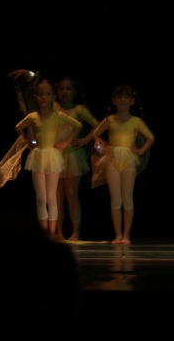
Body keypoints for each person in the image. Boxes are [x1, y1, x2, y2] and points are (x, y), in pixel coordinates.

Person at [14, 79, 83, 239]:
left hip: (52, 156)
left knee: (51, 197)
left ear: (53, 97)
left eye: (47, 94)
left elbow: (78, 125)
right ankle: (44, 233)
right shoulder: (32, 116)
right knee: (41, 198)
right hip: (38, 155)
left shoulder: (58, 115)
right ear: (36, 97)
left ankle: (51, 233)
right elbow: (18, 127)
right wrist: (26, 140)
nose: (44, 97)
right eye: (40, 94)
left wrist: (66, 142)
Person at [89, 84, 155, 245]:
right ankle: (118, 234)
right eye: (119, 97)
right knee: (115, 199)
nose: (122, 100)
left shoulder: (136, 121)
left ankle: (126, 235)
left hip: (128, 159)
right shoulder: (110, 120)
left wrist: (140, 151)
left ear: (132, 101)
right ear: (114, 101)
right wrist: (101, 145)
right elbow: (95, 134)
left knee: (127, 199)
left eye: (126, 97)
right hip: (112, 159)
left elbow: (151, 138)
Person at [55, 76, 99, 240]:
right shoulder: (53, 107)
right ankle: (59, 232)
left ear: (74, 92)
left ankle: (75, 231)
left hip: (73, 156)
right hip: (56, 155)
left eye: (68, 89)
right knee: (58, 196)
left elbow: (98, 125)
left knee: (72, 194)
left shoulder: (79, 109)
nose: (64, 92)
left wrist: (85, 140)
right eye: (61, 89)